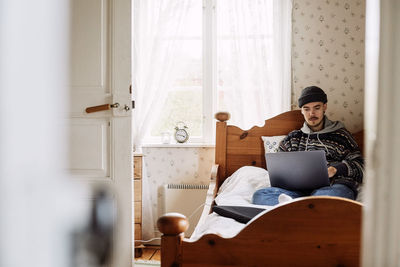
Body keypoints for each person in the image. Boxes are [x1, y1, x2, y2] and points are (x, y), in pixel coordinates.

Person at [252, 86, 364, 206]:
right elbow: (279, 169)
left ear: (324, 107)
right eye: (306, 109)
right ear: (301, 110)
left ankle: (291, 208)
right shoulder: (293, 138)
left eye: (317, 108)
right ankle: (307, 208)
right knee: (259, 196)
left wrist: (335, 169)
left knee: (327, 199)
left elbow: (360, 165)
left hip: (332, 187)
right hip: (297, 191)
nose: (312, 113)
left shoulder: (341, 135)